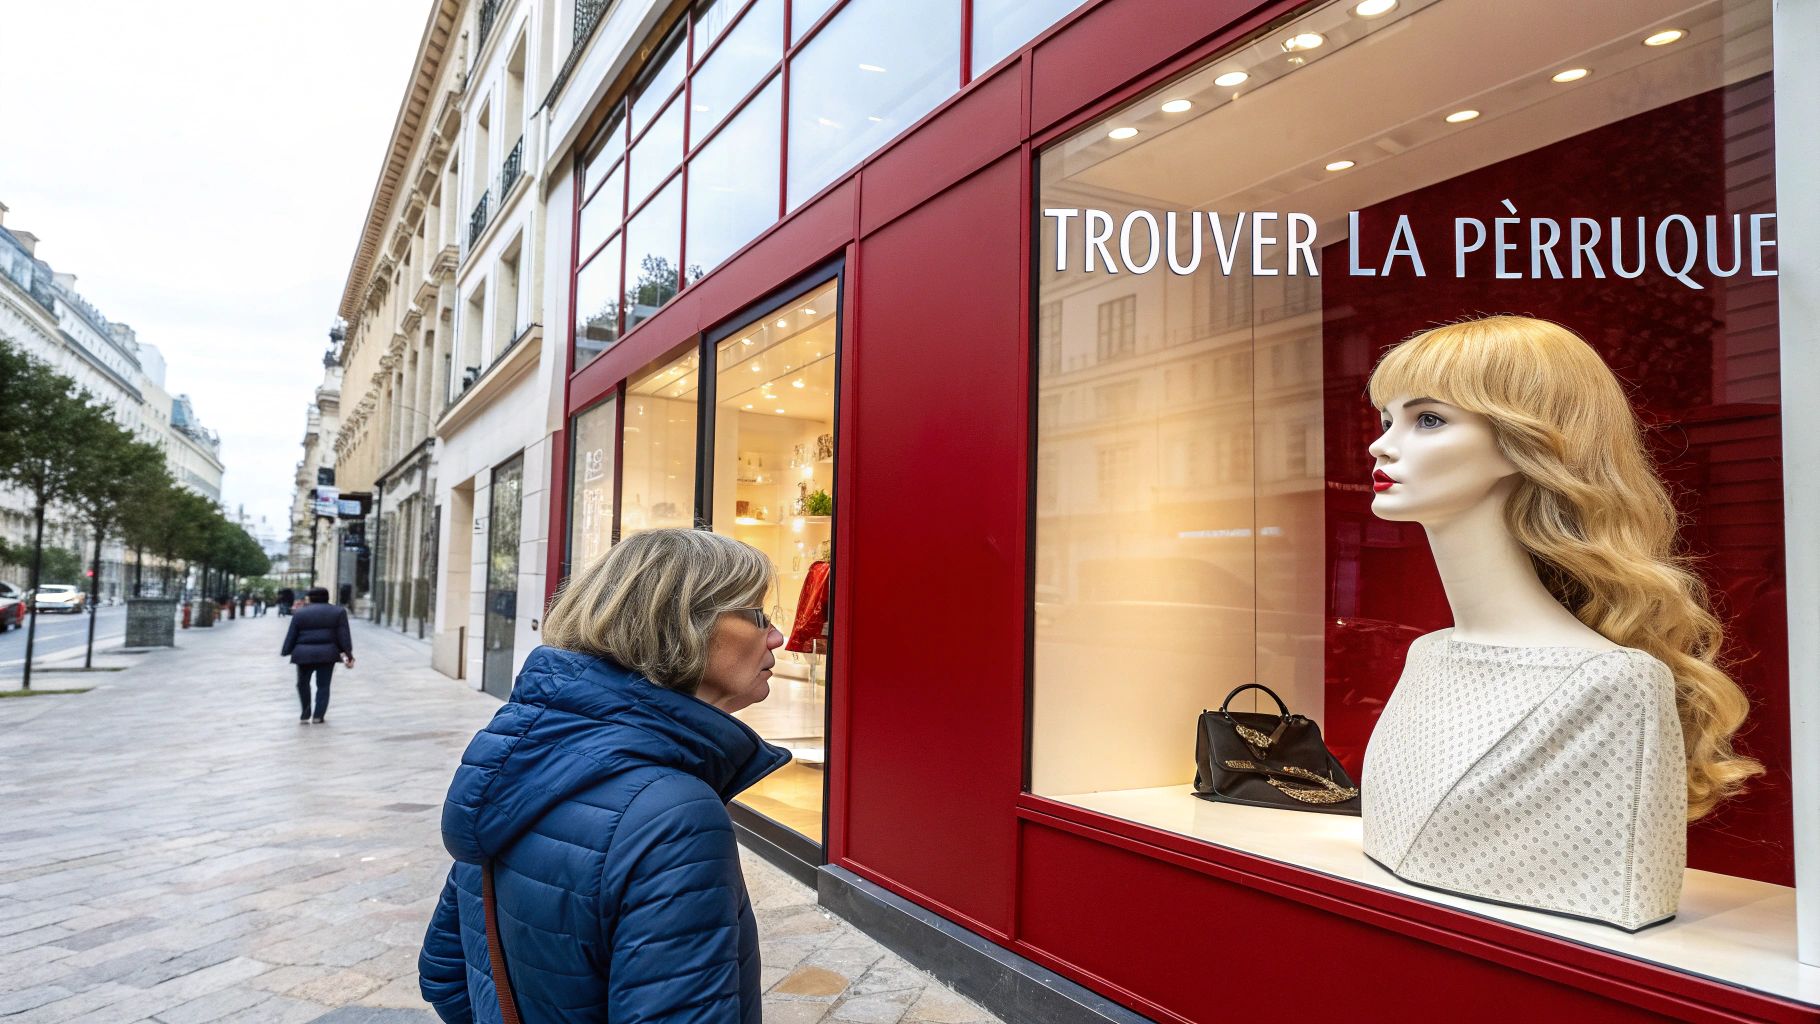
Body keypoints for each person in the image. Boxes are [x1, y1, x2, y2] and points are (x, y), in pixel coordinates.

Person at [418, 529, 789, 1023]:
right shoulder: (675, 815)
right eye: (757, 615)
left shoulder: (521, 763)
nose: (777, 637)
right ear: (682, 624)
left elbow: (446, 976)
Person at [280, 587, 354, 724]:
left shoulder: (300, 613)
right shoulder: (338, 612)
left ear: (310, 598)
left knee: (302, 683)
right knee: (323, 685)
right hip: (327, 654)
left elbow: (292, 634)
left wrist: (286, 650)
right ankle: (318, 715)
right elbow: (344, 635)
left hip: (303, 654)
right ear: (327, 597)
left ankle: (305, 712)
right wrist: (348, 654)